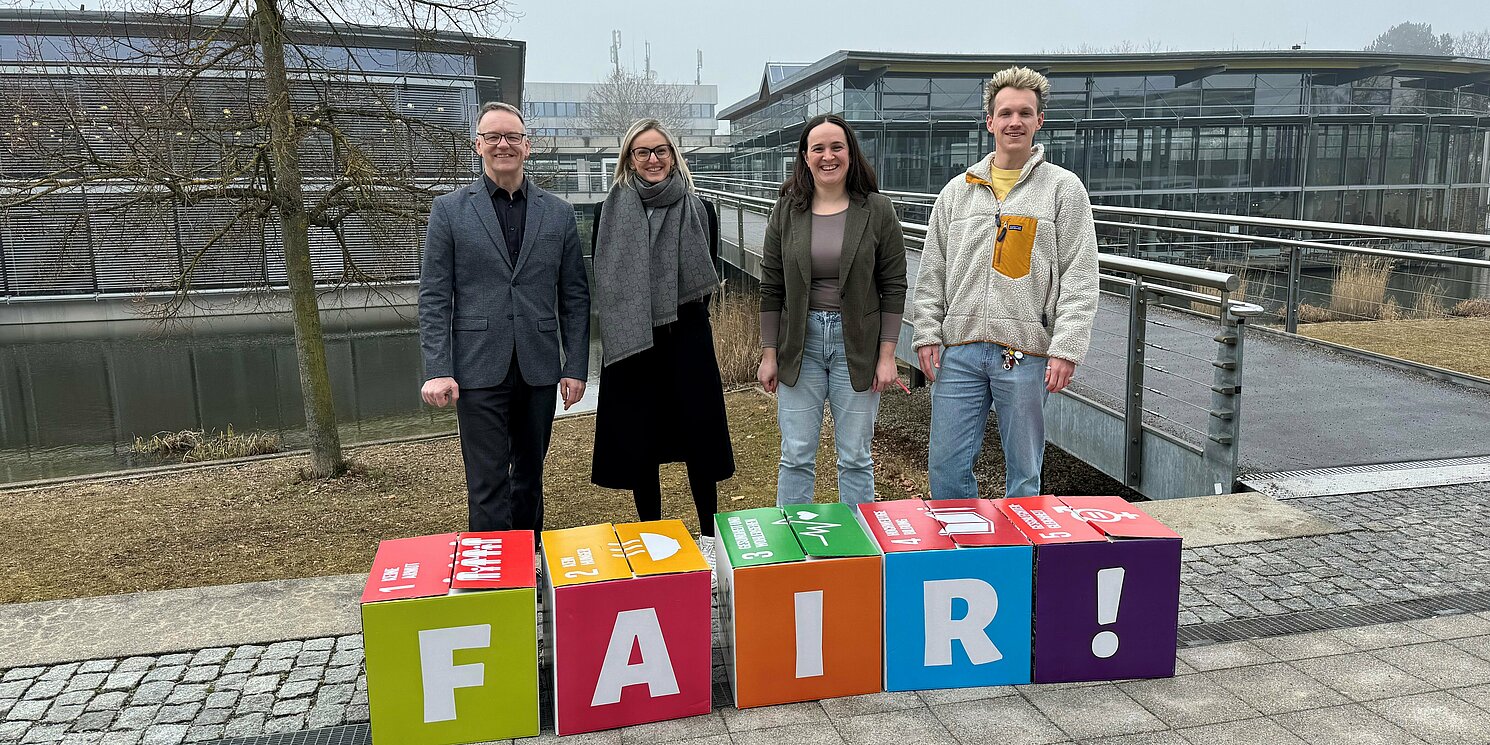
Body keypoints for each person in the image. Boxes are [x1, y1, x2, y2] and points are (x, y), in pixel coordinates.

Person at [910, 66, 1099, 499]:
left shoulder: (1062, 191)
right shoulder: (958, 192)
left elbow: (1081, 275)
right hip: (958, 351)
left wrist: (1066, 348)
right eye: (1006, 112)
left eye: (1025, 113)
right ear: (990, 121)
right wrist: (925, 334)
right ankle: (960, 556)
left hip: (1026, 352)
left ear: (1039, 121)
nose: (1015, 122)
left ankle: (1021, 563)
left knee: (1024, 473)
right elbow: (932, 269)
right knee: (946, 466)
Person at [418, 101, 590, 533]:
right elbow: (435, 297)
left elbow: (574, 296)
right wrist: (438, 369)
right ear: (478, 145)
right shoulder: (449, 211)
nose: (503, 144)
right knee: (487, 482)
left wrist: (575, 367)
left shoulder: (558, 213)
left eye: (512, 136)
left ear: (527, 146)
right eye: (493, 136)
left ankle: (528, 563)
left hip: (538, 368)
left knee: (530, 478)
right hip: (477, 368)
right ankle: (494, 579)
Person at [590, 118, 734, 566]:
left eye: (661, 151)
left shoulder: (701, 211)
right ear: (628, 160)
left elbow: (702, 282)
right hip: (632, 344)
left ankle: (708, 535)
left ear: (673, 156)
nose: (653, 160)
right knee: (640, 439)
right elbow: (605, 282)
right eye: (642, 152)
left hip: (686, 338)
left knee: (699, 436)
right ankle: (651, 536)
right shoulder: (606, 212)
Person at [758, 114, 907, 506]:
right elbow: (771, 287)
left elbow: (893, 286)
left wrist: (887, 355)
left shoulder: (877, 210)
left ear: (851, 154)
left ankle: (859, 547)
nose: (828, 156)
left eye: (836, 147)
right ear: (805, 157)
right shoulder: (786, 211)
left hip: (856, 343)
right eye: (818, 148)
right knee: (795, 456)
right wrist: (769, 354)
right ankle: (793, 544)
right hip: (799, 343)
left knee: (856, 458)